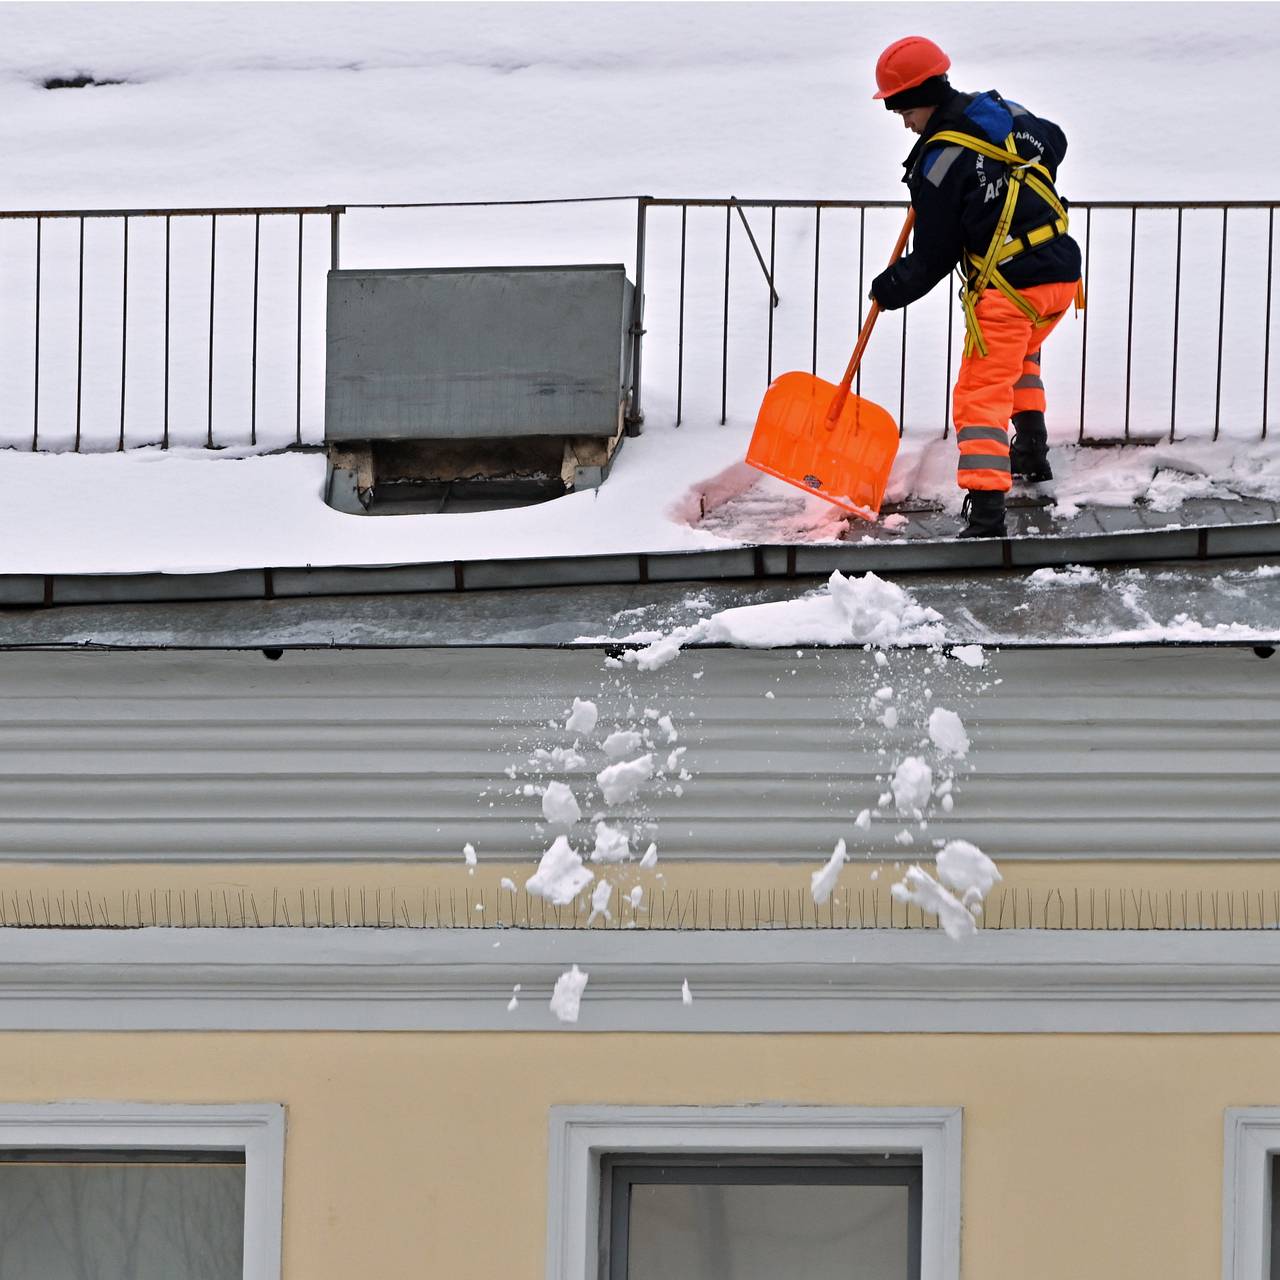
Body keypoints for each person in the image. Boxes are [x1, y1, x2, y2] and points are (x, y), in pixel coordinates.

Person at [868, 36, 1084, 538]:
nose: (903, 121)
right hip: (1060, 278)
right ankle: (1031, 453)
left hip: (1011, 289)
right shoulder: (1006, 112)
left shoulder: (941, 161)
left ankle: (987, 511)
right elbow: (1056, 140)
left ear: (918, 97)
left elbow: (934, 256)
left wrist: (891, 286)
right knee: (1021, 361)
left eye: (901, 109)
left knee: (980, 394)